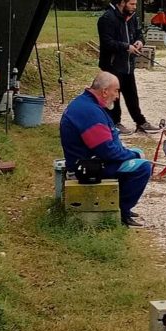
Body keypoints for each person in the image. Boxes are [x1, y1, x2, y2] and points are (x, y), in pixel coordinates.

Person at [60, 72, 152, 227]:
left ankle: (120, 204)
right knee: (143, 167)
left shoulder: (86, 104)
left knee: (136, 155)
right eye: (116, 91)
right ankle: (121, 210)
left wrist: (130, 153)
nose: (117, 96)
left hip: (92, 161)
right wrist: (133, 154)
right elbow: (107, 151)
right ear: (104, 91)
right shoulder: (90, 112)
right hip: (88, 168)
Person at [97, 0, 159, 135]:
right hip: (112, 65)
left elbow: (139, 34)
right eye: (131, 4)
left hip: (128, 64)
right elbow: (107, 43)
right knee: (114, 96)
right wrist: (126, 47)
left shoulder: (133, 18)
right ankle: (115, 123)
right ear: (123, 3)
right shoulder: (107, 18)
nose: (134, 7)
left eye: (135, 4)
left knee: (132, 94)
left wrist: (140, 42)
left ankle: (140, 122)